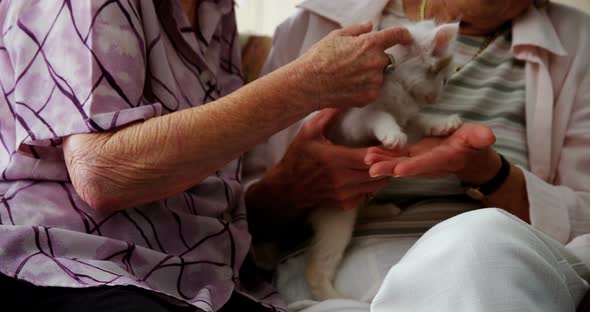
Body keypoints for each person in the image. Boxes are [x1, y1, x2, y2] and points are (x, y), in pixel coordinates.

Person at [0, 0, 413, 311]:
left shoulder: (215, 11)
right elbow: (101, 173)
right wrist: (307, 83)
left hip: (199, 279)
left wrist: (289, 187)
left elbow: (206, 200)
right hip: (73, 268)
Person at [242, 0, 590, 311]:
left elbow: (585, 219)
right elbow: (241, 219)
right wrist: (295, 185)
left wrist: (490, 172)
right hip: (344, 262)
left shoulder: (578, 39)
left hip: (485, 264)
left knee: (481, 244)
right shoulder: (320, 17)